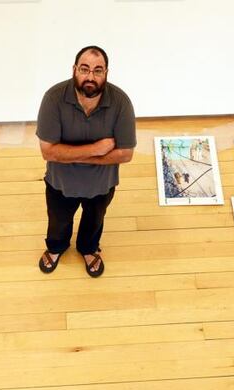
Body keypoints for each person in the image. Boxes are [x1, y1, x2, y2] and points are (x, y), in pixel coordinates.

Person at [36, 45, 137, 277]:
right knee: (58, 220)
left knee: (94, 221)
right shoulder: (53, 98)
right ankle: (56, 247)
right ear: (74, 70)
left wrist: (71, 154)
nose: (90, 76)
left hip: (102, 185)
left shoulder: (121, 102)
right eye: (85, 69)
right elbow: (48, 152)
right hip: (60, 183)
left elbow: (126, 154)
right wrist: (97, 149)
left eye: (98, 70)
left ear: (106, 73)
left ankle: (89, 249)